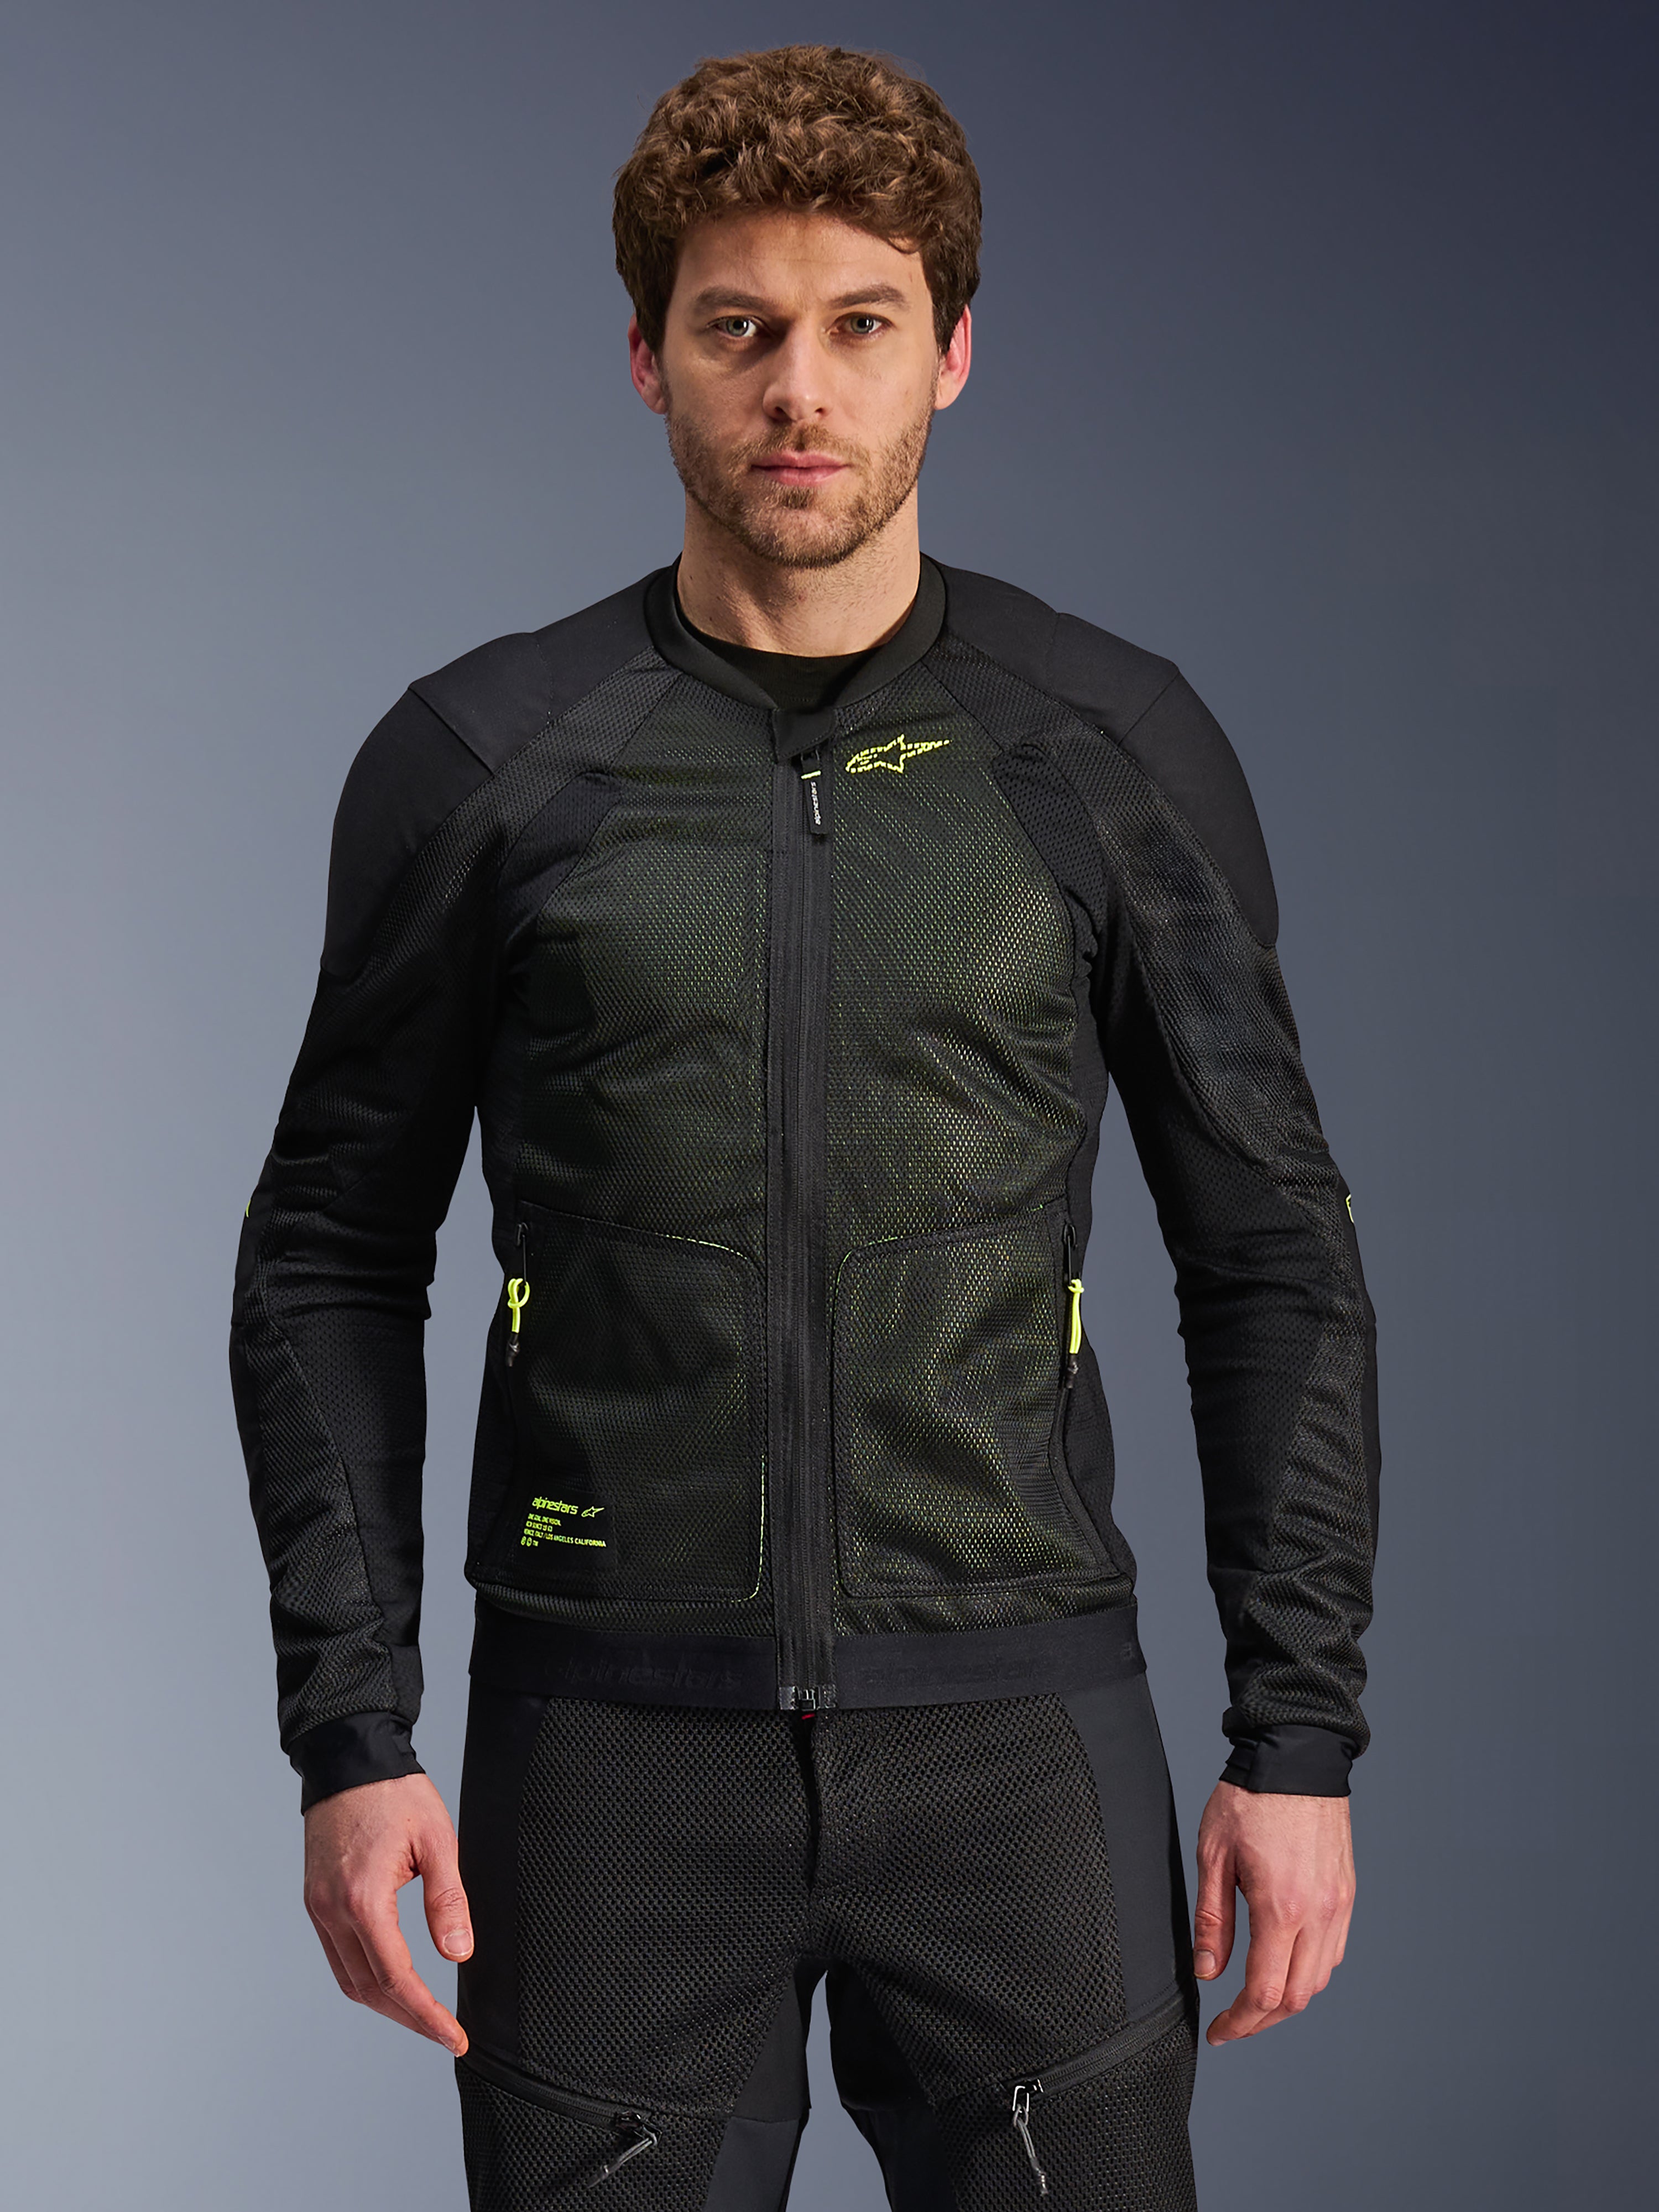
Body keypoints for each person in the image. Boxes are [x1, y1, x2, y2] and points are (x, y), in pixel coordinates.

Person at [229, 43, 1378, 2211]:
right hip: (608, 1758)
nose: (799, 392)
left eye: (860, 324)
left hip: (1018, 1743)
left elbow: (1274, 1250)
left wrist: (1296, 1735)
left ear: (954, 348)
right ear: (646, 355)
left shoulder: (1110, 749)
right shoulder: (482, 760)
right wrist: (351, 1737)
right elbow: (326, 1254)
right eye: (738, 327)